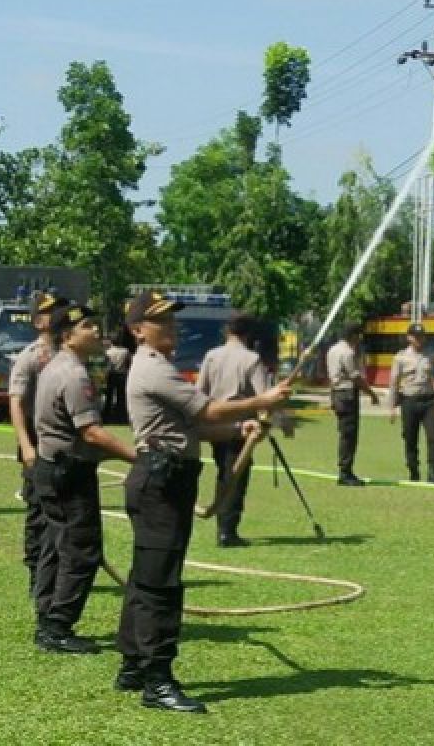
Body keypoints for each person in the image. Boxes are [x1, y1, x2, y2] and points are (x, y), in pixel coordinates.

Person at [115, 290, 291, 713]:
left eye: (173, 320)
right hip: (162, 481)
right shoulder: (153, 369)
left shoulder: (159, 366)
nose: (172, 326)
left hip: (165, 477)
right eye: (162, 321)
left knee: (147, 575)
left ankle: (133, 665)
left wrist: (240, 429)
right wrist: (262, 402)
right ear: (139, 331)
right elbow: (208, 411)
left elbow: (193, 427)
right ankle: (157, 680)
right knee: (161, 583)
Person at [31, 302, 136, 655]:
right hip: (69, 472)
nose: (96, 331)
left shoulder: (53, 367)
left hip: (51, 468)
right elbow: (90, 433)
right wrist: (137, 456)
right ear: (67, 336)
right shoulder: (74, 375)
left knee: (55, 546)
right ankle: (58, 626)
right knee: (82, 550)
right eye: (88, 326)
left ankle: (47, 618)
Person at [196, 312, 270, 548]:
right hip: (241, 425)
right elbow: (263, 397)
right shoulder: (251, 359)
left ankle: (224, 524)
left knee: (223, 469)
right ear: (248, 334)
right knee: (236, 474)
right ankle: (227, 530)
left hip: (215, 422)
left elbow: (200, 391)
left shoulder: (211, 356)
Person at [7, 292, 62, 601]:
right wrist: (25, 446)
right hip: (37, 441)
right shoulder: (30, 357)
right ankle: (35, 572)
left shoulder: (67, 354)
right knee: (39, 512)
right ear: (38, 321)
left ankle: (54, 571)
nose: (59, 316)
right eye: (51, 312)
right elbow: (16, 403)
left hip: (63, 444)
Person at [386, 323, 434, 483]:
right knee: (409, 437)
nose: (419, 339)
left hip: (429, 400)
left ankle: (433, 471)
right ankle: (413, 469)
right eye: (415, 336)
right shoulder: (400, 357)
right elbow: (394, 382)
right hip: (409, 401)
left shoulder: (431, 356)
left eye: (421, 336)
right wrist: (391, 406)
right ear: (409, 338)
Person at [325, 323, 379, 486]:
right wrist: (371, 393)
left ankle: (345, 469)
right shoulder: (347, 353)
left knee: (344, 432)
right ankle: (345, 472)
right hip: (347, 394)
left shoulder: (332, 350)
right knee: (349, 434)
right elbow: (355, 376)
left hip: (336, 393)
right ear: (353, 335)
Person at [103, 334, 132, 424]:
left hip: (112, 375)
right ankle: (121, 415)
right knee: (121, 396)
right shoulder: (125, 351)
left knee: (109, 395)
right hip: (122, 375)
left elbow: (106, 365)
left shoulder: (108, 352)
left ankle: (107, 415)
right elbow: (129, 363)